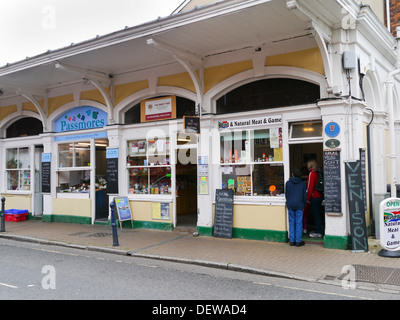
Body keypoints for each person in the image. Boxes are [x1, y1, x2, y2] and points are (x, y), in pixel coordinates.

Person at [285, 168, 307, 247]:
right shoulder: (302, 184)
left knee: (291, 223)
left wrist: (289, 202)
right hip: (299, 205)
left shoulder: (288, 183)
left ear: (292, 174)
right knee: (299, 223)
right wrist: (303, 204)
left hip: (290, 204)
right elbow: (305, 196)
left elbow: (287, 195)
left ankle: (292, 241)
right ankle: (298, 241)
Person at [306, 159, 324, 238]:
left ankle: (318, 232)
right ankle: (319, 230)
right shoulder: (317, 173)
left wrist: (307, 198)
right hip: (319, 196)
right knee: (318, 214)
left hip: (314, 197)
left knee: (315, 214)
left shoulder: (311, 174)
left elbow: (310, 187)